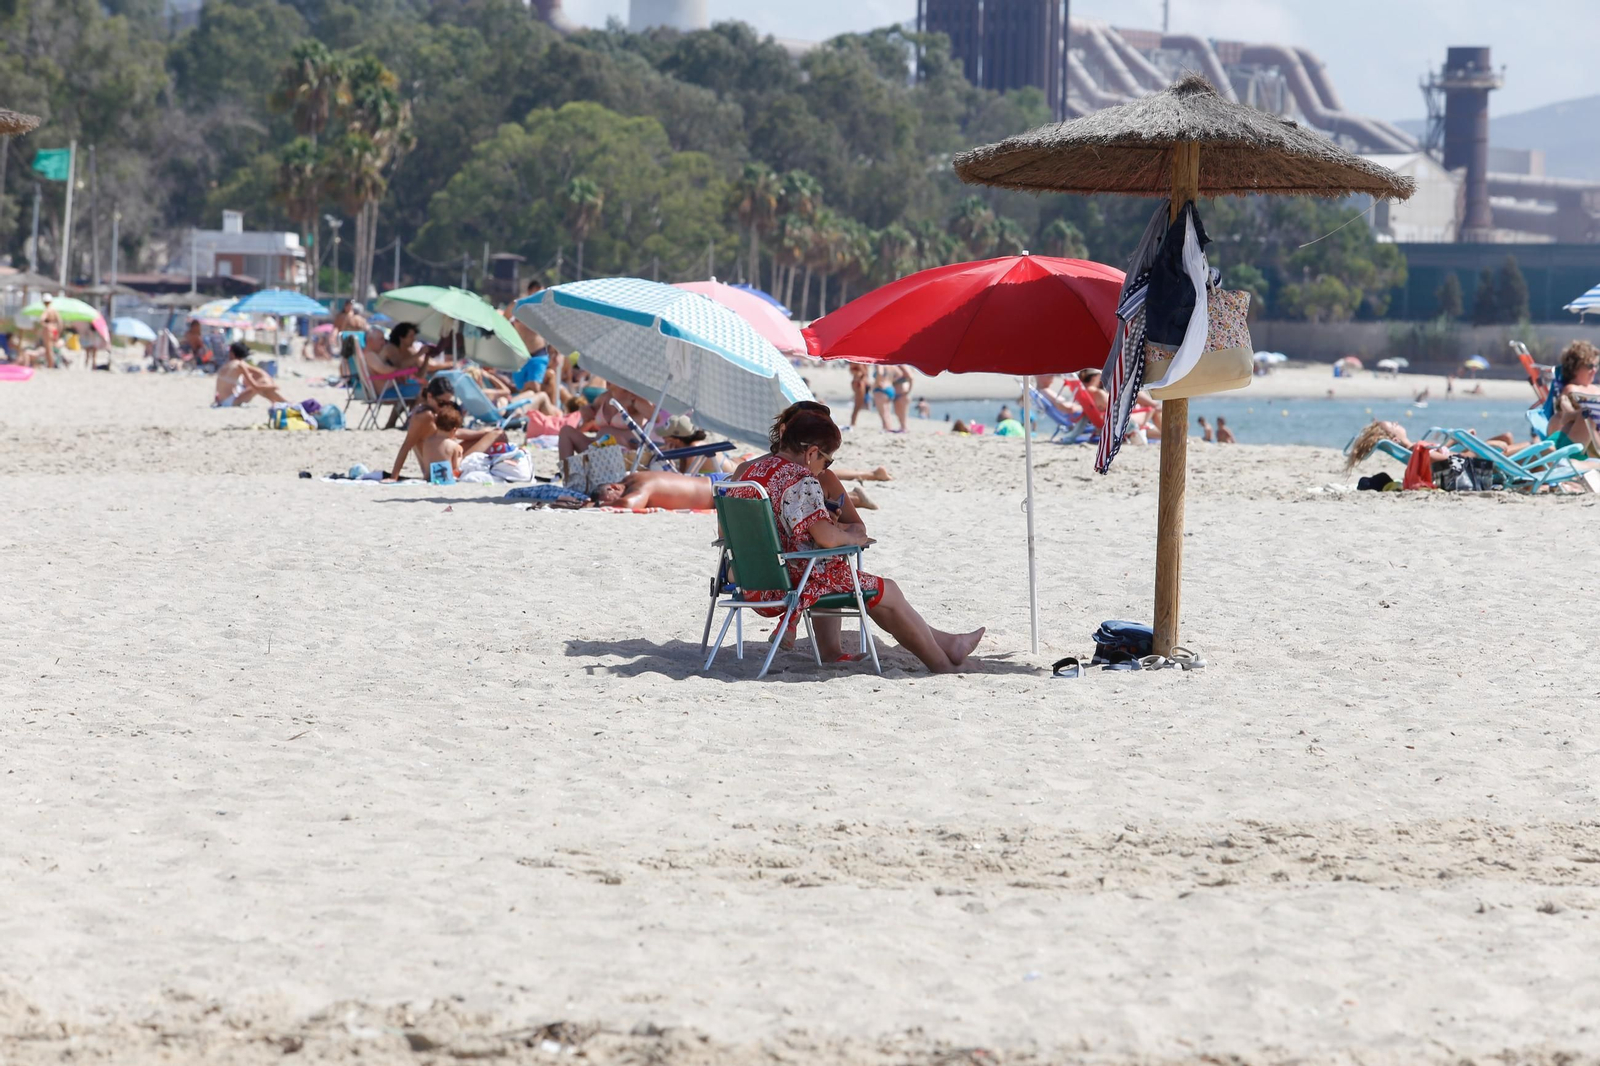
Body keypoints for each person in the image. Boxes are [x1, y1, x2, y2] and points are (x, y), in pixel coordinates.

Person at [729, 410, 984, 673]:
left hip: (754, 581)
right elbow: (826, 538)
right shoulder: (800, 479)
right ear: (811, 452)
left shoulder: (753, 471)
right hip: (794, 582)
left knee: (877, 597)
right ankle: (943, 665)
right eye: (827, 461)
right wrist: (851, 536)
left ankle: (948, 648)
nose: (824, 469)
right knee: (889, 591)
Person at [389, 377, 508, 479]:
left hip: (443, 465)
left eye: (448, 403)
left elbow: (454, 433)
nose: (445, 407)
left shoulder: (432, 412)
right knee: (498, 435)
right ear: (430, 396)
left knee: (493, 434)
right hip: (442, 469)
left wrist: (482, 433)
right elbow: (406, 445)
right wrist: (394, 477)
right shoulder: (424, 416)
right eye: (442, 402)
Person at [591, 469, 718, 510]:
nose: (614, 502)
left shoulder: (640, 485)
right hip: (715, 485)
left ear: (613, 487)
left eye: (612, 499)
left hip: (720, 492)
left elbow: (627, 504)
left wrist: (597, 505)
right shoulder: (633, 477)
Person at [213, 342, 287, 406]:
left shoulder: (227, 365)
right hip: (231, 401)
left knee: (261, 382)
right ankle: (284, 402)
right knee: (263, 382)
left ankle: (277, 401)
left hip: (221, 401)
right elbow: (256, 386)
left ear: (232, 353)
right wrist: (272, 386)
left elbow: (258, 373)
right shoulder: (240, 365)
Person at [418, 404, 466, 483]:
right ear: (454, 430)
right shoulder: (453, 446)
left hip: (428, 478)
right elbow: (455, 469)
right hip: (445, 478)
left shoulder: (427, 441)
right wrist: (459, 458)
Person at [37, 295, 64, 369]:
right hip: (55, 330)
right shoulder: (54, 311)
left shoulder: (47, 310)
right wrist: (58, 331)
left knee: (48, 349)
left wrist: (46, 325)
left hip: (48, 330)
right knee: (52, 348)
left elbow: (41, 319)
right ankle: (52, 364)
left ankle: (50, 365)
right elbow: (60, 322)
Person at [891, 364, 913, 432]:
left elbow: (911, 377)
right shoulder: (896, 365)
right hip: (898, 392)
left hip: (902, 392)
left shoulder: (901, 365)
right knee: (898, 411)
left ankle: (904, 427)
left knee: (903, 412)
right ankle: (902, 427)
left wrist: (909, 389)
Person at [849, 364, 870, 428]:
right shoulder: (859, 362)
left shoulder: (854, 362)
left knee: (858, 404)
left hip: (858, 381)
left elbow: (851, 370)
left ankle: (853, 422)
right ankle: (853, 422)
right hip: (859, 382)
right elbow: (864, 372)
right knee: (858, 405)